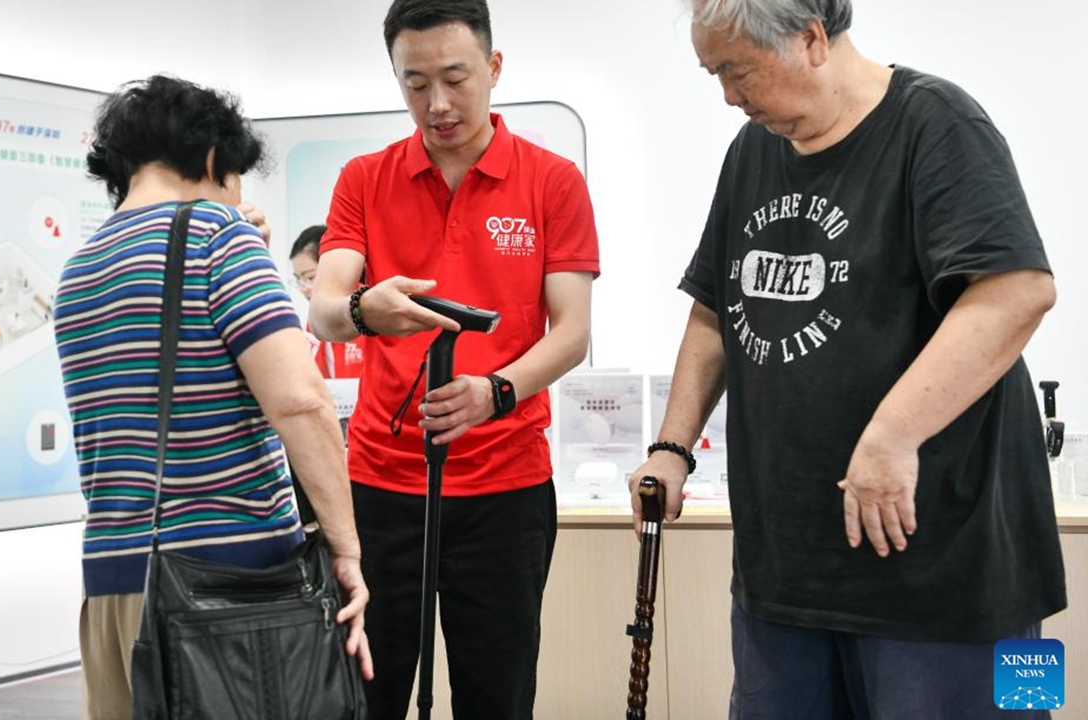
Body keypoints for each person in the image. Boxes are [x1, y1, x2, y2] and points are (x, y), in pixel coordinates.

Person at [630, 1, 1068, 717]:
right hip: (787, 578)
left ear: (810, 39)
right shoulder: (752, 152)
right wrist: (672, 446)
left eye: (737, 71)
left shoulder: (939, 124)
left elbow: (1018, 291)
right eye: (714, 74)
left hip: (952, 581)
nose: (729, 98)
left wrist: (892, 434)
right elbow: (713, 312)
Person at [309, 1, 599, 717]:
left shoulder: (551, 181)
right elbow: (323, 306)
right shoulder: (365, 179)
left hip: (505, 487)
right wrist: (361, 310)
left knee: (495, 698)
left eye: (455, 78)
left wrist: (495, 392)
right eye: (414, 84)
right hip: (380, 486)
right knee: (364, 695)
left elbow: (571, 333)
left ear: (494, 69)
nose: (436, 104)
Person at [53, 75, 372, 720]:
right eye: (236, 178)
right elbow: (302, 404)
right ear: (209, 160)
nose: (240, 197)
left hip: (114, 585)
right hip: (229, 591)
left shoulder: (78, 269)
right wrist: (347, 550)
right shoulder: (216, 236)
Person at [290, 224, 366, 378]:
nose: (303, 288)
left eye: (310, 277)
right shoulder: (314, 319)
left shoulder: (366, 307)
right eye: (299, 279)